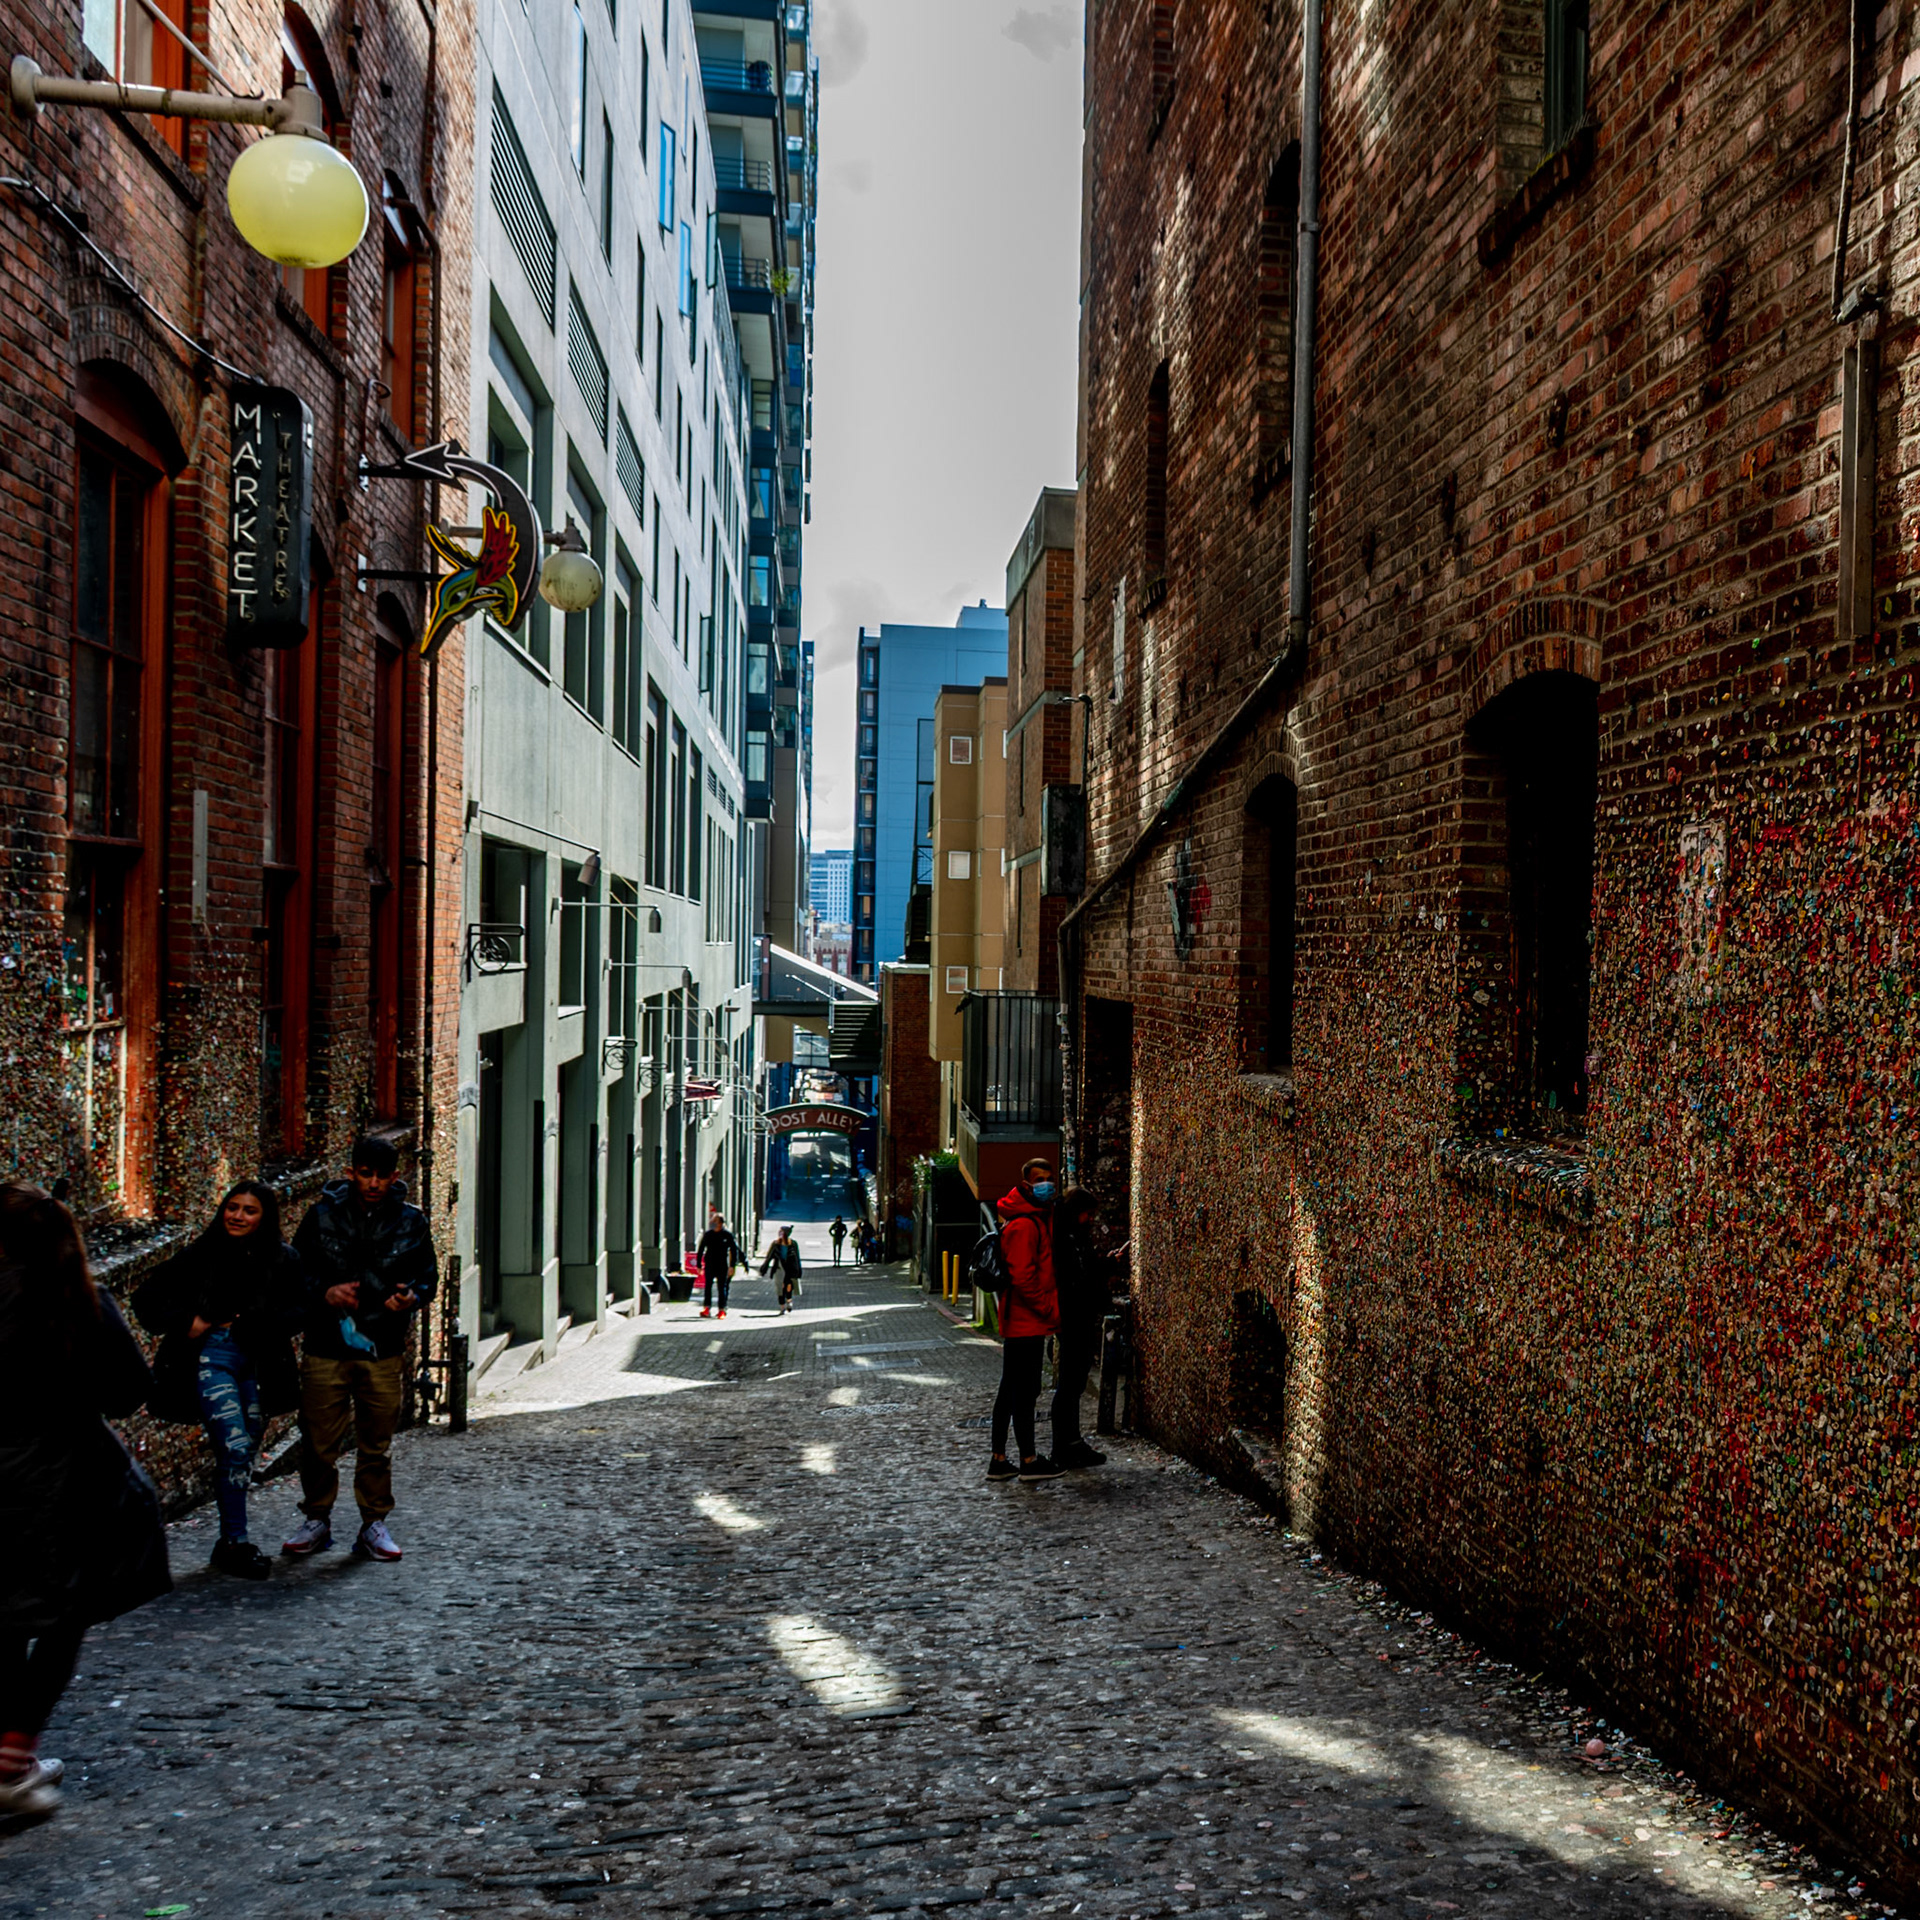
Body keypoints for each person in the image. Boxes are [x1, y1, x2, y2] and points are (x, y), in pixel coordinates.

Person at [0, 1184, 169, 1820]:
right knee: (62, 1615)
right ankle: (14, 1758)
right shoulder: (81, 1302)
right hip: (67, 1483)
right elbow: (130, 1390)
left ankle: (8, 1758)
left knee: (9, 1618)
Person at [131, 1181, 305, 1578]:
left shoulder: (284, 1259)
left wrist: (263, 1324)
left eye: (249, 1210)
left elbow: (300, 1310)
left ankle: (229, 1542)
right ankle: (236, 1542)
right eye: (233, 1207)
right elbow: (146, 1299)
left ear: (265, 1217)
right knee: (236, 1445)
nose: (238, 1216)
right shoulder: (201, 1254)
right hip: (212, 1358)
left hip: (258, 1364)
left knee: (240, 1456)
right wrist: (185, 1321)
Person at [284, 1136, 436, 1563]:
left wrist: (411, 1298)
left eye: (381, 1175)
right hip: (326, 1345)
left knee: (376, 1444)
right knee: (317, 1442)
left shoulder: (411, 1222)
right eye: (365, 1173)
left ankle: (373, 1523)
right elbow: (295, 1273)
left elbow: (428, 1276)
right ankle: (317, 1517)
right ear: (351, 1172)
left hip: (382, 1348)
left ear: (394, 1176)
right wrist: (325, 1293)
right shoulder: (321, 1217)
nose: (373, 1183)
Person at [986, 1158, 1064, 1483]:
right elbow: (1023, 1277)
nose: (1047, 1184)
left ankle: (1000, 1459)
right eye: (1040, 1179)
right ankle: (1028, 1460)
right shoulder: (1024, 1225)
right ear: (1027, 1184)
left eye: (1050, 1178)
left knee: (1010, 1389)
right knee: (1024, 1391)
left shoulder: (1030, 1219)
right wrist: (1049, 1311)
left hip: (1022, 1319)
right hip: (1025, 1321)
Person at [1048, 1187, 1111, 1470]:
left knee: (1073, 1383)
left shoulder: (1072, 1236)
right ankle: (1064, 1446)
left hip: (1077, 1314)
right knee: (1069, 1384)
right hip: (1073, 1316)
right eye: (1088, 1213)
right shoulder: (1065, 1238)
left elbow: (1086, 1270)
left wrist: (1105, 1264)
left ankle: (1070, 1443)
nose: (1090, 1219)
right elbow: (1076, 1277)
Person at [696, 1215, 745, 1319]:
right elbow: (701, 1249)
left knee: (721, 1287)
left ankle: (722, 1309)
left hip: (722, 1264)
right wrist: (699, 1265)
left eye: (715, 1221)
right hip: (709, 1264)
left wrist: (732, 1266)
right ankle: (707, 1308)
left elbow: (734, 1250)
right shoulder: (708, 1234)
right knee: (708, 1286)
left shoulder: (727, 1235)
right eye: (712, 1221)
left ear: (721, 1223)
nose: (713, 1223)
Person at [760, 1226, 802, 1313]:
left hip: (790, 1269)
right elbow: (769, 1256)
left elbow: (797, 1258)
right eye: (779, 1232)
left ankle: (789, 1300)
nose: (780, 1234)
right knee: (780, 1288)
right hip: (779, 1269)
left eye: (782, 1232)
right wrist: (764, 1268)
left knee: (789, 1287)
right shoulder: (775, 1244)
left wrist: (799, 1271)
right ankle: (782, 1306)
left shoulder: (793, 1244)